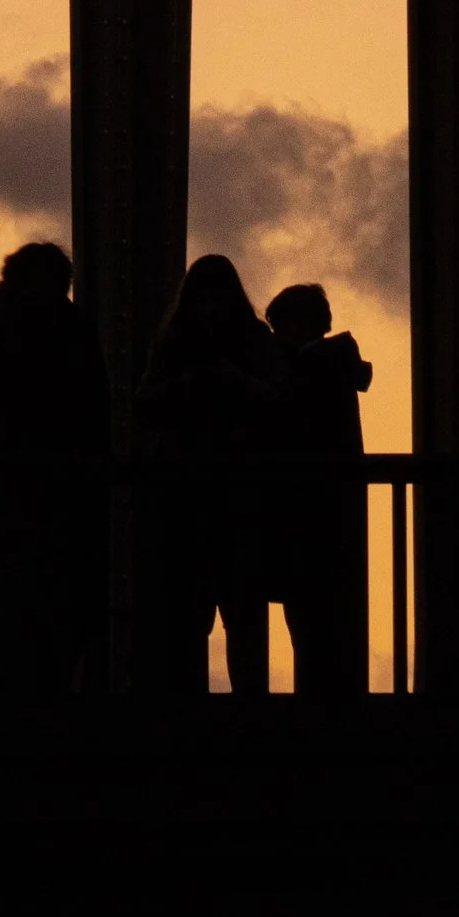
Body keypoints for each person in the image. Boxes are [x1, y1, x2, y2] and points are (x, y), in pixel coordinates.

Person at [0, 244, 109, 695]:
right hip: (67, 495)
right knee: (62, 612)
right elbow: (101, 416)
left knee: (20, 612)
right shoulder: (79, 338)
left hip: (21, 496)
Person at [136, 254, 287, 695]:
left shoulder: (174, 343)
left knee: (210, 615)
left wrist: (213, 384)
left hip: (201, 499)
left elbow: (144, 404)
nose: (211, 306)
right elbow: (281, 403)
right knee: (228, 616)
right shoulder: (250, 341)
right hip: (227, 500)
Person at [265, 283, 371, 698]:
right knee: (330, 625)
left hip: (306, 516)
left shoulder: (307, 373)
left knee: (309, 624)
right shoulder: (334, 367)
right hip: (334, 517)